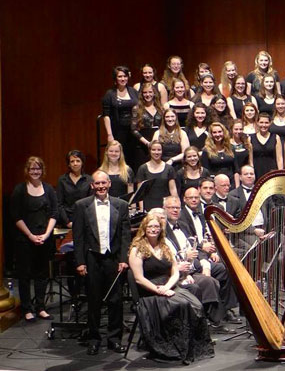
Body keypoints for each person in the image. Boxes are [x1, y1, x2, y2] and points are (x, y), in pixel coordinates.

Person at [129, 214, 214, 363]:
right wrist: (159, 290)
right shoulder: (137, 249)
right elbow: (139, 278)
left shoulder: (165, 246)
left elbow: (175, 271)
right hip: (149, 291)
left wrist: (168, 286)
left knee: (196, 305)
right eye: (150, 226)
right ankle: (176, 347)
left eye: (156, 226)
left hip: (168, 285)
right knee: (181, 304)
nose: (153, 229)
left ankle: (191, 345)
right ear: (144, 228)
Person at [73, 171, 131, 355]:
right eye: (97, 183)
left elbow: (125, 235)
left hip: (113, 258)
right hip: (92, 258)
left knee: (116, 300)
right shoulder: (81, 205)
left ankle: (114, 339)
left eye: (103, 183)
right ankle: (94, 339)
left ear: (109, 184)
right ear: (92, 185)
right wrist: (80, 262)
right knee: (94, 301)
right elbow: (78, 237)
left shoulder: (121, 205)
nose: (100, 186)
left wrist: (123, 259)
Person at [11, 157, 59, 322]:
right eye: (32, 169)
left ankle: (40, 307)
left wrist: (45, 235)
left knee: (42, 274)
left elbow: (54, 213)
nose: (35, 172)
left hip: (44, 238)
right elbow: (16, 216)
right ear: (27, 170)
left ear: (42, 170)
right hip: (25, 239)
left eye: (38, 168)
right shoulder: (19, 190)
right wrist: (31, 236)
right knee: (24, 275)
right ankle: (27, 309)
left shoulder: (49, 189)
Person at [135, 141, 179, 210]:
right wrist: (141, 210)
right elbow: (140, 193)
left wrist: (176, 205)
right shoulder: (143, 168)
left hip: (165, 207)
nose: (156, 152)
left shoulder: (169, 168)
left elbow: (173, 190)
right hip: (148, 207)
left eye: (159, 150)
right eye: (153, 150)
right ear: (149, 151)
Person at [55, 150, 92, 227]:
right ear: (69, 164)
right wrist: (67, 222)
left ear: (82, 163)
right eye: (72, 161)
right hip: (66, 221)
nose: (75, 164)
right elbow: (59, 204)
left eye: (78, 161)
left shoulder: (89, 180)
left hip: (84, 221)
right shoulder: (62, 180)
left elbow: (90, 203)